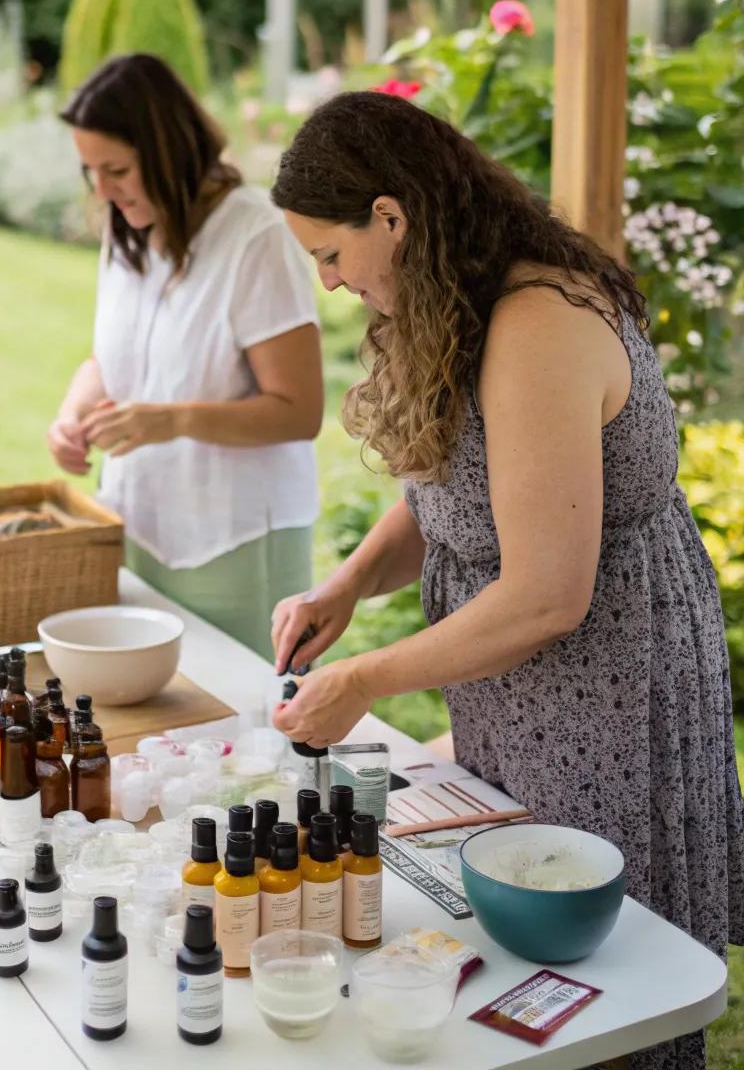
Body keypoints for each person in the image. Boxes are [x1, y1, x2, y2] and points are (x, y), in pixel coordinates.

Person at [269, 90, 743, 1070]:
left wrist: (359, 681)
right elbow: (449, 500)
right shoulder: (447, 298)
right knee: (520, 977)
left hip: (604, 689)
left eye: (330, 255)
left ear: (392, 218)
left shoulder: (534, 324)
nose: (329, 282)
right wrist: (347, 588)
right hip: (517, 694)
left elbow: (543, 595)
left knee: (603, 998)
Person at [48, 54, 322, 659]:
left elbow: (299, 411)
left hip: (234, 545)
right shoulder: (127, 232)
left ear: (169, 150)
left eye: (116, 168)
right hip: (139, 530)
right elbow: (108, 362)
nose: (101, 190)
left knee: (254, 738)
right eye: (89, 171)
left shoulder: (255, 236)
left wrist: (169, 420)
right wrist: (72, 414)